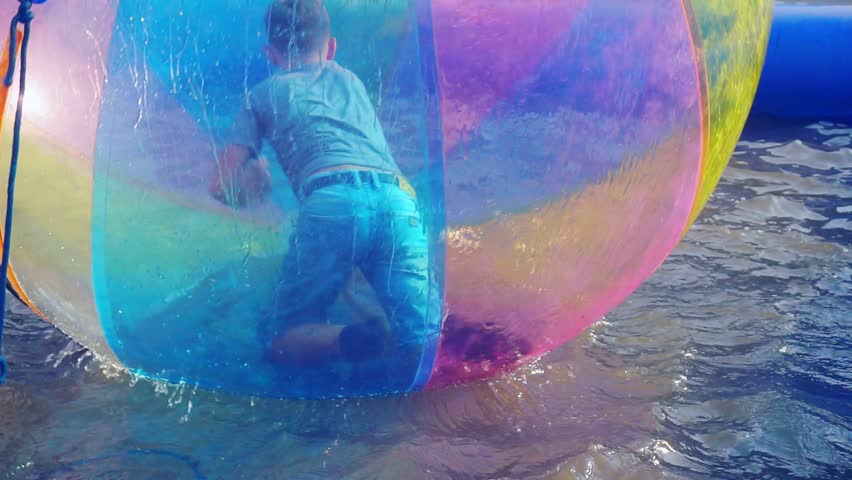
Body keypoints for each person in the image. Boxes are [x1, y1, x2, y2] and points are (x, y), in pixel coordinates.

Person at [209, 0, 437, 392]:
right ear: (331, 48)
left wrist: (256, 181)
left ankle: (351, 339)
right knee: (422, 340)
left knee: (279, 341)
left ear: (270, 54)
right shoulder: (351, 81)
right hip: (398, 200)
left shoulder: (262, 94)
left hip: (331, 203)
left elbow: (220, 185)